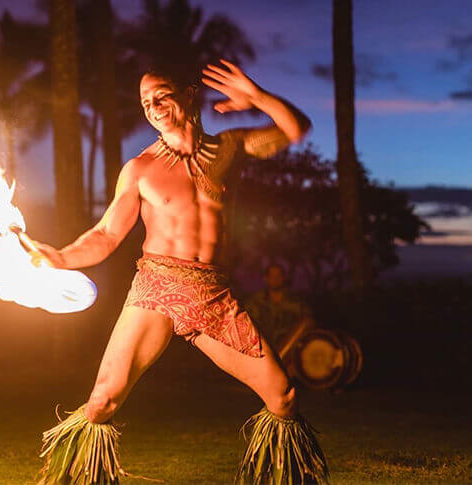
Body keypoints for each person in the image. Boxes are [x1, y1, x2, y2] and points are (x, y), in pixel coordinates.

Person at [34, 60, 328, 484]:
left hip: (212, 295)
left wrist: (258, 97)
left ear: (189, 94)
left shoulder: (230, 148)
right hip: (154, 289)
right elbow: (106, 235)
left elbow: (296, 128)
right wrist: (59, 257)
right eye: (145, 102)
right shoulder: (139, 169)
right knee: (102, 402)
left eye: (161, 95)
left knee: (283, 397)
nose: (152, 107)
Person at [245, 263, 315, 358]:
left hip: (291, 355)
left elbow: (307, 325)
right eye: (272, 276)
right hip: (264, 355)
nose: (275, 279)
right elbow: (247, 327)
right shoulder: (256, 302)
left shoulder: (296, 303)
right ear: (266, 278)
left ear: (284, 277)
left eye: (278, 276)